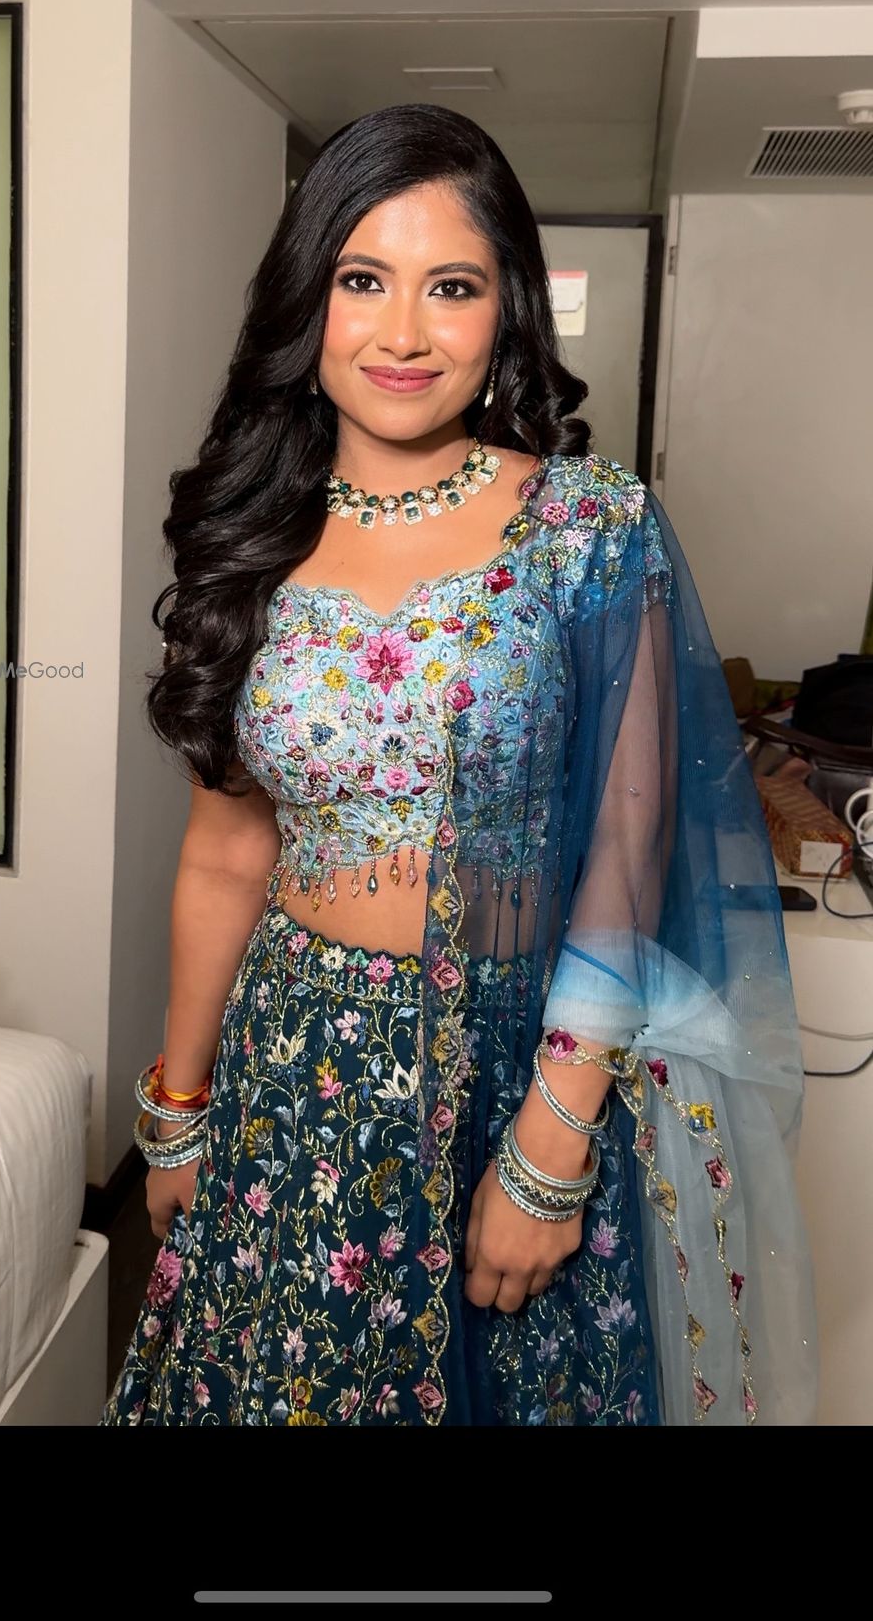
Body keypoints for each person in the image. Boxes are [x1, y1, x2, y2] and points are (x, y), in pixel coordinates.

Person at [101, 103, 817, 1428]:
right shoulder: (247, 537)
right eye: (361, 280)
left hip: (513, 1059)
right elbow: (228, 852)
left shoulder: (590, 528)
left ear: (507, 313)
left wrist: (554, 1137)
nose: (404, 333)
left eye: (452, 287)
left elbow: (627, 844)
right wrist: (182, 1105)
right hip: (293, 1068)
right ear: (306, 302)